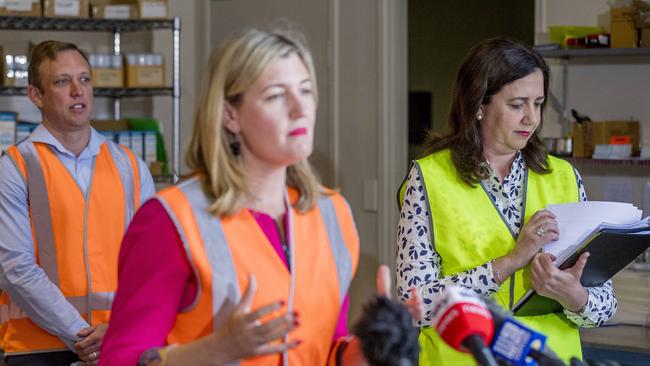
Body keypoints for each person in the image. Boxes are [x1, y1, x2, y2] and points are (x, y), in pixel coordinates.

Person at [99, 28, 387, 366]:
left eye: (306, 91)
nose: (300, 109)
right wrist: (218, 349)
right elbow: (119, 360)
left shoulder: (333, 214)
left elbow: (325, 346)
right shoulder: (171, 219)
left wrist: (368, 350)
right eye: (276, 95)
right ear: (230, 115)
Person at [396, 37, 617, 365]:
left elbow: (607, 306)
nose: (532, 119)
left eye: (538, 103)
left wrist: (575, 297)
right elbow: (414, 305)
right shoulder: (429, 179)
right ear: (479, 106)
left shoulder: (565, 177)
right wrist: (510, 262)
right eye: (517, 105)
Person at [0, 40, 155, 365]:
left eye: (84, 80)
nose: (77, 91)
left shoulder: (129, 166)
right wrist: (83, 336)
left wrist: (119, 329)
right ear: (36, 95)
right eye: (62, 81)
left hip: (118, 342)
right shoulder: (16, 167)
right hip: (38, 350)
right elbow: (15, 269)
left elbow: (152, 264)